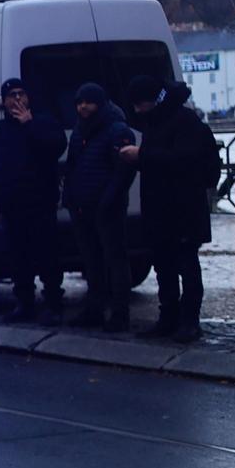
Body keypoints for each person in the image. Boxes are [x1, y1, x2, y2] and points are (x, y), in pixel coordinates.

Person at [119, 75, 221, 343]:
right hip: (161, 207)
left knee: (186, 265)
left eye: (139, 105)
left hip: (184, 207)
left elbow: (184, 161)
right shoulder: (162, 120)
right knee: (164, 265)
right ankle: (169, 318)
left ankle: (189, 321)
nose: (137, 111)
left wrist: (141, 156)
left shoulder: (184, 121)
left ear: (150, 102)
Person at [0, 77, 67, 324]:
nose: (17, 99)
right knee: (19, 258)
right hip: (12, 206)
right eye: (12, 96)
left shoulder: (44, 122)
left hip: (40, 204)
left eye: (21, 94)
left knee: (48, 257)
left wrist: (31, 125)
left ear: (28, 98)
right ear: (4, 101)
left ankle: (53, 303)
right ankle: (24, 303)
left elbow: (56, 147)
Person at [62, 81, 137, 331]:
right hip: (83, 207)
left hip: (107, 208)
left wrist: (108, 200)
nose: (83, 107)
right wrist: (70, 199)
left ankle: (120, 314)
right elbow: (73, 167)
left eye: (88, 102)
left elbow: (123, 171)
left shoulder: (116, 129)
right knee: (91, 261)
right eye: (80, 102)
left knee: (115, 260)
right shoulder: (79, 131)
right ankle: (94, 310)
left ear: (100, 103)